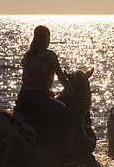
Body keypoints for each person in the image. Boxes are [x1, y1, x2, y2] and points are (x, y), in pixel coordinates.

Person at [16, 25, 80, 159]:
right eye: (48, 38)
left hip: (22, 98)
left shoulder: (27, 56)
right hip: (39, 99)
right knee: (74, 119)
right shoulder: (50, 56)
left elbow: (29, 79)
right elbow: (61, 77)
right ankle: (68, 155)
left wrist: (47, 91)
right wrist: (70, 90)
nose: (49, 41)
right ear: (45, 39)